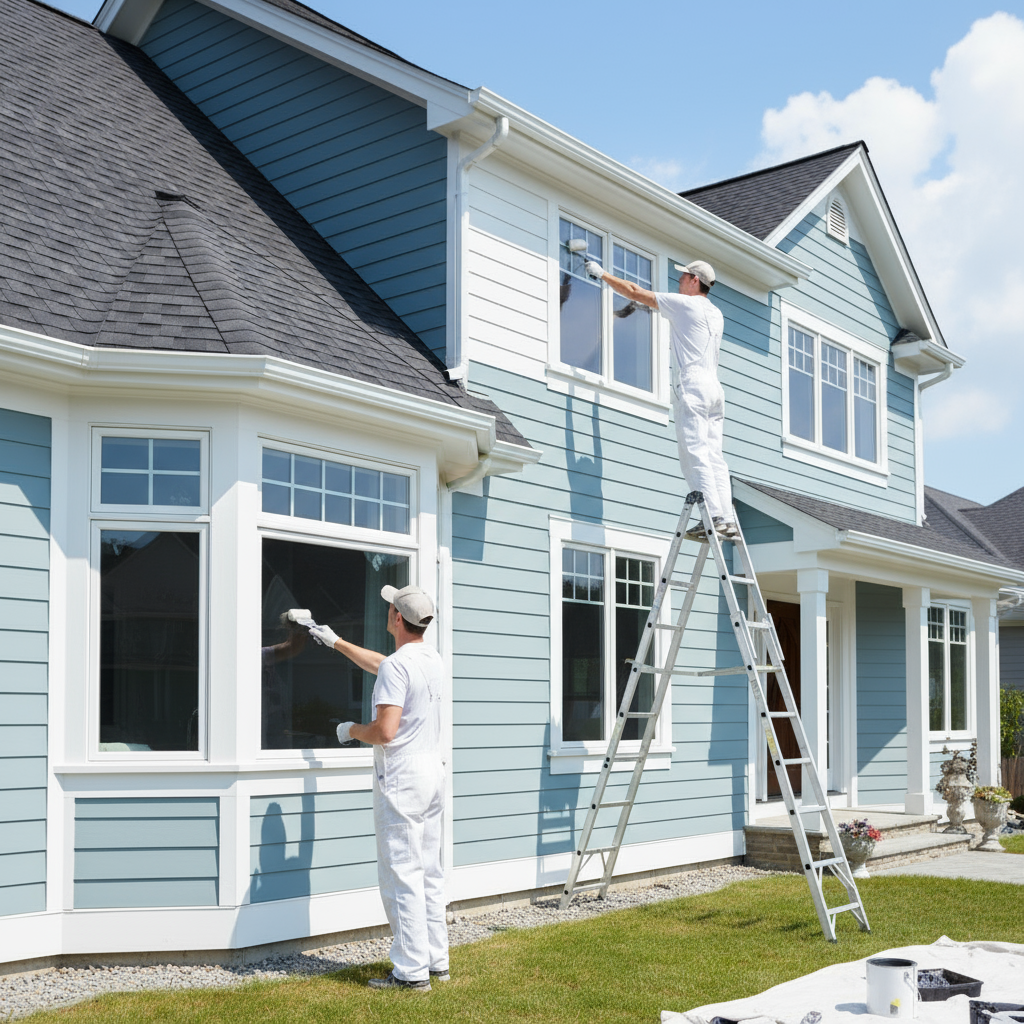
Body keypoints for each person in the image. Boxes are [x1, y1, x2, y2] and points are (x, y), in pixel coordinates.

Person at [308, 585, 448, 992]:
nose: (387, 611)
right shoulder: (430, 658)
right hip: (432, 773)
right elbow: (384, 664)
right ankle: (435, 961)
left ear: (397, 619)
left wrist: (350, 729)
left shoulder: (397, 666)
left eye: (390, 608)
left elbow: (385, 732)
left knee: (401, 874)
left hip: (402, 777)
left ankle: (410, 973)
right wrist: (335, 641)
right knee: (429, 871)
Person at [584, 257, 738, 540]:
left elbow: (634, 290)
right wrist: (645, 308)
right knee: (714, 455)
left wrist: (602, 273)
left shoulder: (686, 304)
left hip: (693, 385)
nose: (679, 281)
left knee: (694, 452)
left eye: (684, 277)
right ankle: (726, 518)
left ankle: (713, 516)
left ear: (695, 281)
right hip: (715, 389)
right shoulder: (716, 313)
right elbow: (680, 323)